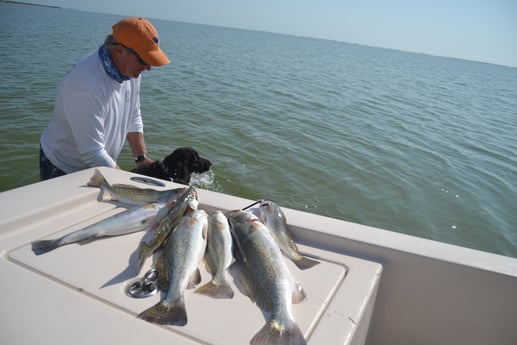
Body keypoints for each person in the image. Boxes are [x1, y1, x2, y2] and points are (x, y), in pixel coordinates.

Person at [39, 17, 170, 180]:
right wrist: (127, 183)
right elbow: (92, 153)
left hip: (101, 163)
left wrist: (141, 159)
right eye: (144, 59)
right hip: (64, 167)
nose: (148, 67)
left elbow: (133, 113)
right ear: (119, 51)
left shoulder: (131, 71)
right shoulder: (86, 85)